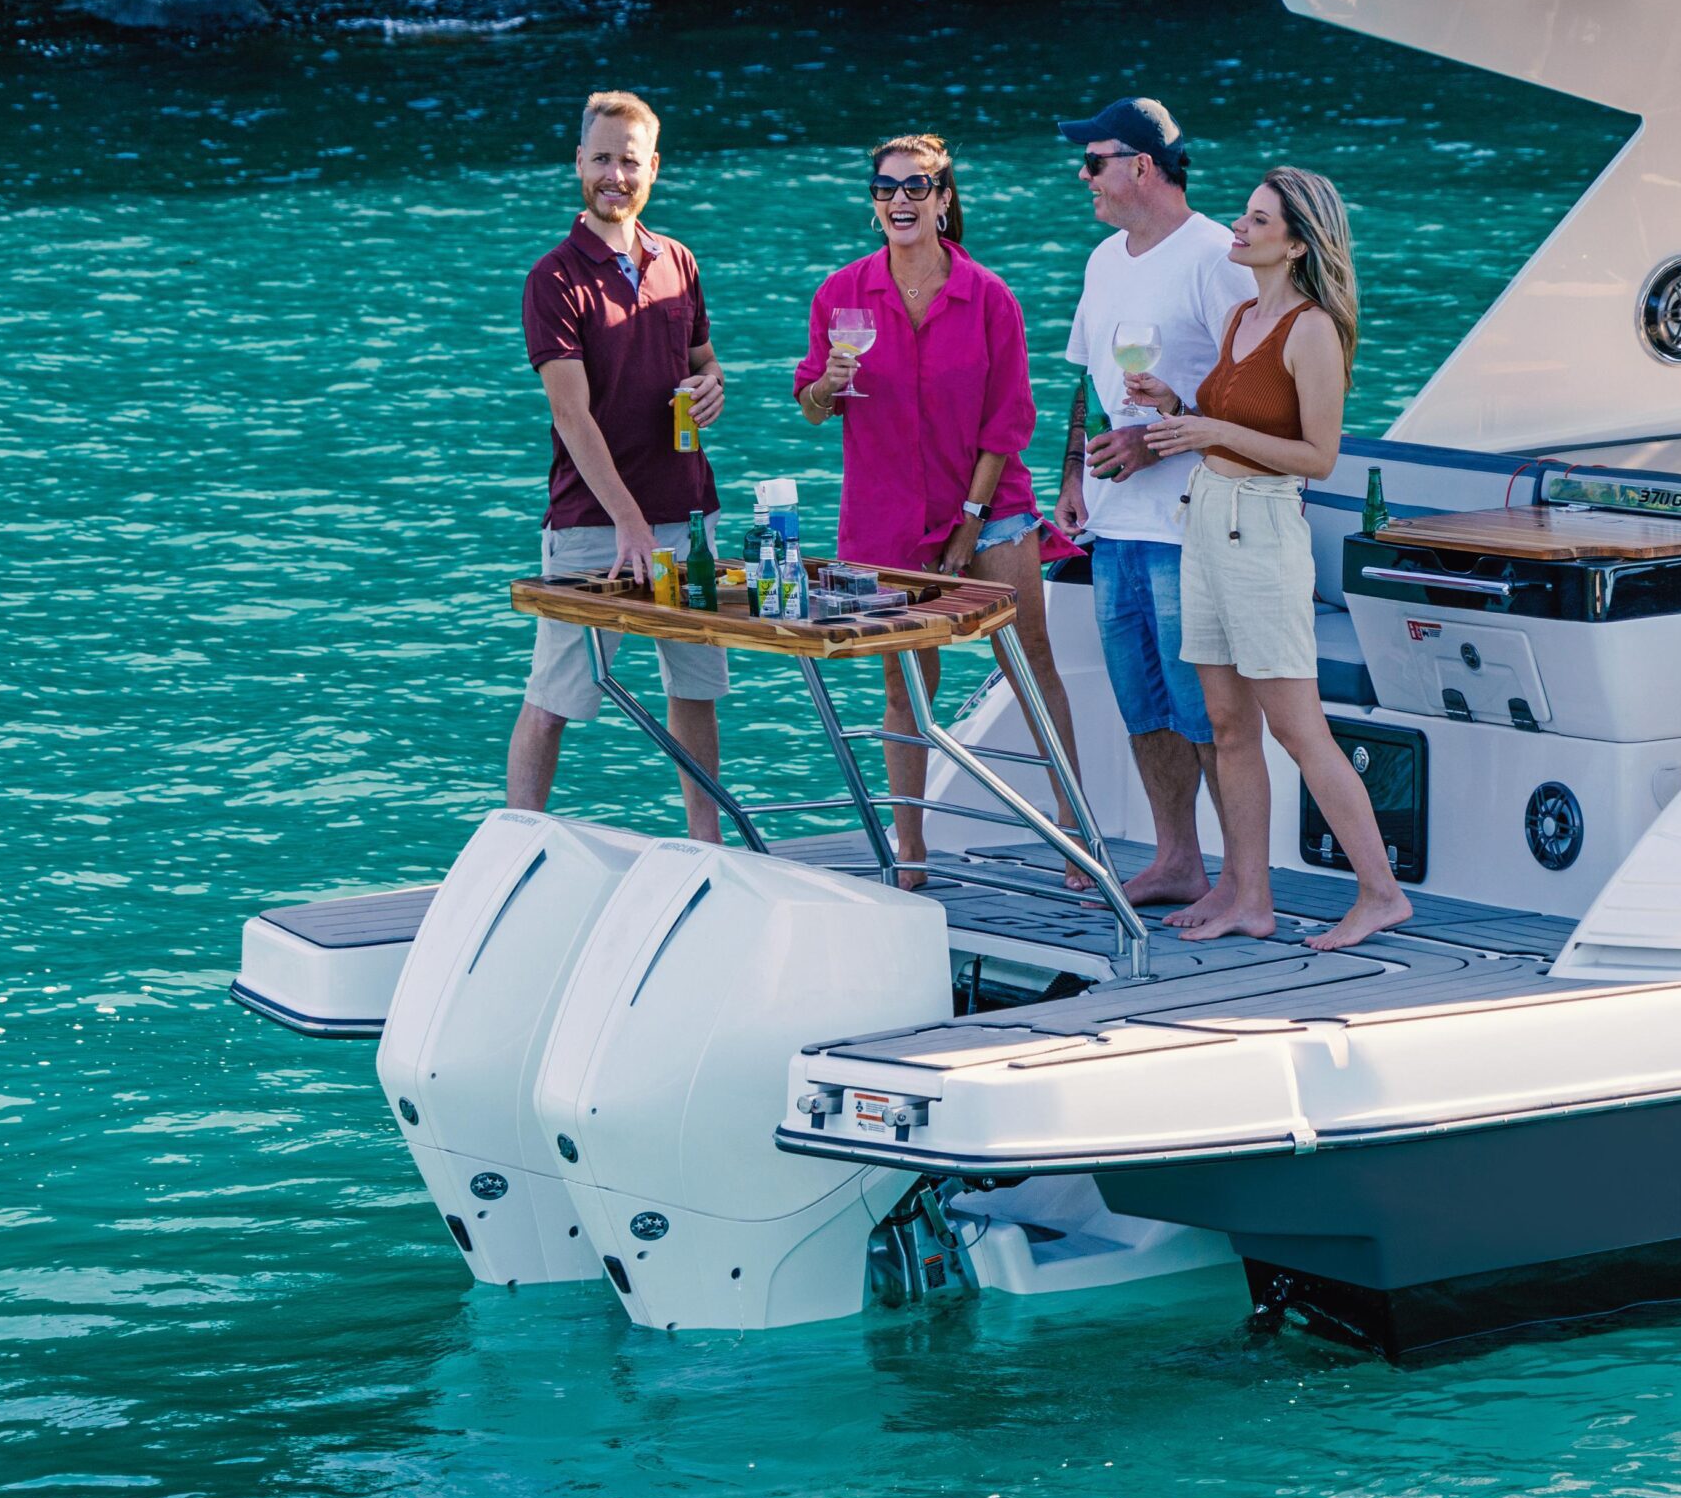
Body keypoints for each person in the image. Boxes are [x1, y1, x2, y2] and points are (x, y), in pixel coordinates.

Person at [1123, 168, 1413, 952]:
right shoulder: (1244, 316)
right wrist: (1177, 411)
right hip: (1208, 520)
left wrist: (1211, 433)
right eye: (1243, 218)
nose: (1238, 231)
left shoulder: (1312, 330)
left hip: (1263, 532)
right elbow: (1225, 421)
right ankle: (1250, 896)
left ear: (1295, 241)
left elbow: (1318, 457)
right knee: (1225, 723)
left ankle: (1380, 893)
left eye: (1255, 222)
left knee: (1297, 727)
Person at [794, 134, 1086, 890]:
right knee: (904, 687)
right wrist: (828, 380)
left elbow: (1009, 422)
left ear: (944, 200)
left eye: (917, 187)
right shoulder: (840, 295)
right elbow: (813, 409)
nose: (900, 200)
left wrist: (966, 522)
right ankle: (912, 852)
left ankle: (1074, 832)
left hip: (989, 511)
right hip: (886, 519)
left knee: (1030, 663)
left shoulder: (989, 297)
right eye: (886, 188)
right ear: (873, 205)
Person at [1052, 96, 1256, 912]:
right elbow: (1084, 378)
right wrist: (1074, 474)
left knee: (1205, 707)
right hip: (1114, 523)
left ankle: (1242, 876)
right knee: (1143, 701)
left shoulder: (1218, 257)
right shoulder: (1105, 259)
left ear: (1142, 165)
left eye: (1094, 161)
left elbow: (1251, 396)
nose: (1083, 176)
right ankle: (1180, 860)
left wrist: (1151, 441)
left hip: (1191, 523)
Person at [510, 89, 731, 840]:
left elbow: (705, 364)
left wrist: (712, 387)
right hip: (593, 527)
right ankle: (515, 846)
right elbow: (570, 415)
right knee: (556, 697)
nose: (615, 174)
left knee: (695, 690)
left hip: (689, 518)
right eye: (601, 158)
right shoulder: (554, 279)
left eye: (629, 161)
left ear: (653, 169)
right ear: (579, 162)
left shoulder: (680, 262)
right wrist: (631, 525)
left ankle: (708, 845)